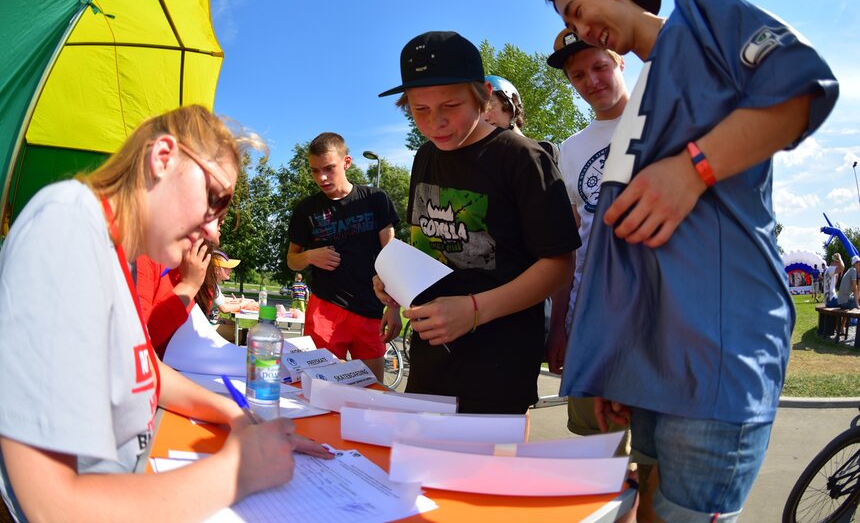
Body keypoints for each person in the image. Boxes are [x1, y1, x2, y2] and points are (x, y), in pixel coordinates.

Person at [546, 0, 838, 520]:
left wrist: (694, 168)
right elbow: (629, 253)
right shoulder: (645, 96)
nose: (582, 32)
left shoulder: (699, 17)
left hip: (715, 361)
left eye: (578, 12)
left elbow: (804, 81)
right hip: (652, 367)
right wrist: (617, 359)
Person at [0, 105, 331, 522]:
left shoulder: (113, 250)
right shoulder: (66, 224)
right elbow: (52, 506)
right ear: (162, 158)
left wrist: (238, 416)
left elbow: (146, 369)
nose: (214, 229)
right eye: (214, 199)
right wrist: (239, 472)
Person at [375, 30, 578, 414]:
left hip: (496, 371)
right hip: (428, 362)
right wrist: (394, 278)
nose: (436, 123)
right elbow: (429, 246)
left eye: (450, 105)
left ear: (483, 94)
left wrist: (474, 310)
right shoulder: (425, 157)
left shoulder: (523, 158)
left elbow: (559, 263)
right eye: (420, 110)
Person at [543, 28, 655, 523]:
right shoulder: (569, 151)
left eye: (599, 67)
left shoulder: (661, 123)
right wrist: (561, 325)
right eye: (578, 75)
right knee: (598, 457)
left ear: (621, 62)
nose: (591, 80)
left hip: (656, 320)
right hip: (591, 319)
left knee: (655, 457)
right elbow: (569, 245)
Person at [287, 132, 401, 382]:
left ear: (346, 162)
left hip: (370, 309)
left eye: (329, 168)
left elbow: (391, 255)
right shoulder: (306, 210)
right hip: (325, 310)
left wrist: (394, 307)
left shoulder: (375, 199)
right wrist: (310, 256)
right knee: (320, 390)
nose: (322, 178)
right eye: (315, 171)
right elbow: (291, 260)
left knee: (372, 393)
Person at [137, 238, 211, 357]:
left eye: (220, 223)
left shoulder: (201, 269)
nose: (214, 231)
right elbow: (138, 339)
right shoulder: (146, 256)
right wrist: (189, 286)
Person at [482, 74, 560, 164]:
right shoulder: (484, 163)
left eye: (489, 106)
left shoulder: (545, 150)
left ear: (511, 104)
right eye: (479, 112)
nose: (484, 118)